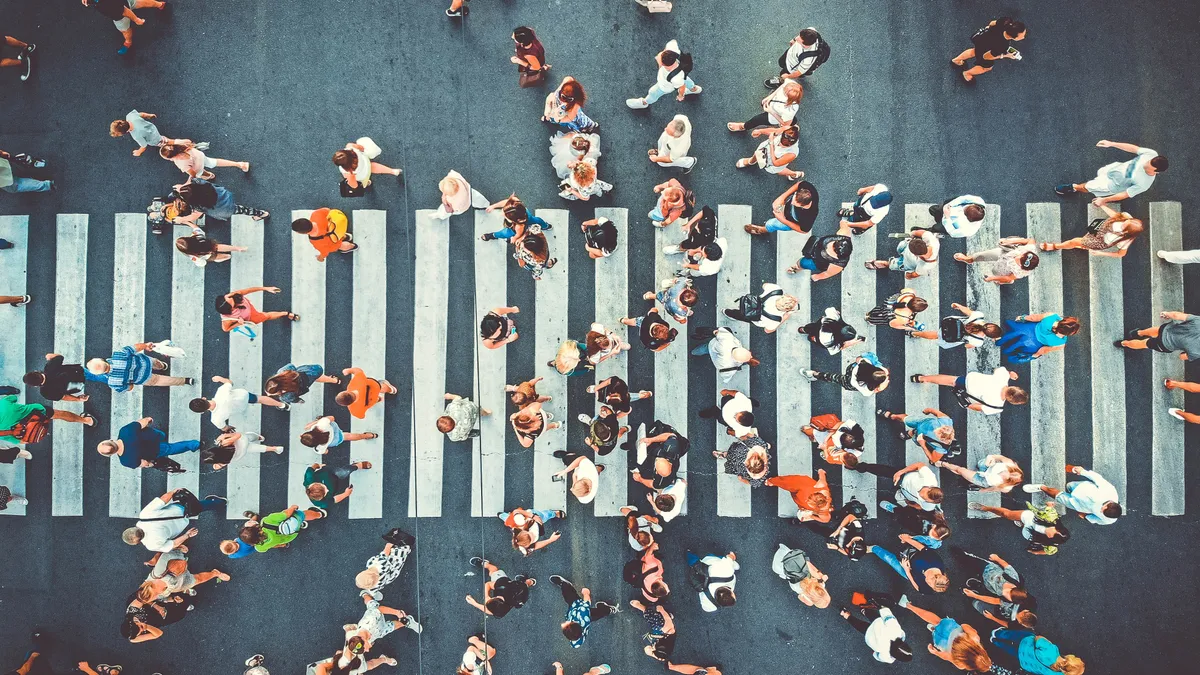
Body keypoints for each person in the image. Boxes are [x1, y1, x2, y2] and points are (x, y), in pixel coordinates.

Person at [1055, 140, 1167, 204]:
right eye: (1148, 161)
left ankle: (1075, 187)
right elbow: (1134, 148)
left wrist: (1104, 200)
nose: (1145, 164)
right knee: (1100, 172)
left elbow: (1125, 194)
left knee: (1087, 187)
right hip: (1113, 169)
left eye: (1149, 165)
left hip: (1111, 185)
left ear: (1156, 171)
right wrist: (1112, 144)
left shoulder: (1144, 184)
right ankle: (1080, 187)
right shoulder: (1151, 154)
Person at [897, 601, 992, 671]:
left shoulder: (975, 638)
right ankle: (934, 630)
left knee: (936, 620)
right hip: (942, 643)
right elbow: (946, 656)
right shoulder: (961, 664)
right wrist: (935, 652)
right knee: (936, 632)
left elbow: (964, 625)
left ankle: (907, 605)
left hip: (950, 628)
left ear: (983, 652)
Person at [122, 488, 226, 551]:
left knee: (198, 508)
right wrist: (173, 491)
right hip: (178, 509)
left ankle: (217, 503)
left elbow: (173, 544)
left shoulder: (151, 545)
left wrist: (187, 535)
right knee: (199, 506)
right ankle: (220, 502)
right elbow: (162, 500)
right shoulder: (144, 515)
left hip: (182, 522)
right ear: (133, 528)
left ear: (137, 542)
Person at [957, 549, 1038, 629]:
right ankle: (978, 585)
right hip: (995, 581)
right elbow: (995, 600)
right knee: (986, 587)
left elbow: (1008, 624)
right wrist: (975, 595)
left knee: (976, 604)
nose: (1017, 615)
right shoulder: (1028, 601)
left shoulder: (1018, 621)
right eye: (1021, 613)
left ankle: (978, 588)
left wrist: (992, 618)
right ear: (1026, 610)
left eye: (1019, 618)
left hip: (999, 609)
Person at [1024, 464, 1122, 524]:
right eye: (1103, 506)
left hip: (1077, 505)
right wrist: (1083, 471)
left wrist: (1085, 516)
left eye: (1102, 511)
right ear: (1110, 502)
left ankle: (1041, 487)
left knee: (1058, 496)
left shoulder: (1109, 519)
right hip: (1081, 488)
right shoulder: (1110, 491)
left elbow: (1096, 520)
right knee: (1069, 486)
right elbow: (1097, 479)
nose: (1100, 509)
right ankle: (1065, 488)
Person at [911, 367, 1027, 415]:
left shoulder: (1003, 377)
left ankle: (921, 378)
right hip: (969, 393)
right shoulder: (997, 407)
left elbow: (998, 369)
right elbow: (976, 407)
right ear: (1013, 401)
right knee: (953, 384)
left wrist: (1010, 374)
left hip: (970, 380)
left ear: (1016, 388)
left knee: (950, 380)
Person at [98, 417, 200, 471]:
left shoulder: (126, 461)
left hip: (156, 450)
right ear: (110, 440)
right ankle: (163, 435)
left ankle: (194, 445)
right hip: (153, 436)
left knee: (172, 448)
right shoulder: (125, 431)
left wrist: (150, 464)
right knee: (161, 435)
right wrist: (148, 419)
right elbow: (143, 422)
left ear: (111, 455)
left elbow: (145, 464)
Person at [1040, 204, 1143, 257]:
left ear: (1126, 232)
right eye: (1127, 221)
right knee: (1082, 241)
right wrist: (1102, 205)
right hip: (1098, 228)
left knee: (1074, 241)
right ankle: (1082, 246)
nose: (1124, 222)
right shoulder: (1127, 218)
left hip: (1098, 242)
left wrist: (1101, 254)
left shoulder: (1125, 240)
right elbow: (1116, 216)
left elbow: (1121, 254)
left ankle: (1055, 246)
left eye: (1125, 225)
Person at [969, 503, 1071, 555]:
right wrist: (1049, 505)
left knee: (1023, 527)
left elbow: (1047, 552)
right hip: (1030, 519)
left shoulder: (1052, 546)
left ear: (1051, 539)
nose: (1050, 530)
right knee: (1006, 514)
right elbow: (1050, 508)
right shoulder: (1052, 518)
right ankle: (985, 508)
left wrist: (1035, 552)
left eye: (1051, 534)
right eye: (1054, 529)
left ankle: (1022, 524)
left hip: (1028, 532)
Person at [192, 374, 287, 430]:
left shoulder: (215, 419)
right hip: (243, 396)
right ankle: (282, 405)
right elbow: (229, 382)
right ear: (203, 398)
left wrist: (229, 428)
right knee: (260, 399)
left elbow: (224, 428)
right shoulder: (221, 392)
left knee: (258, 400)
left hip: (240, 408)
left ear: (202, 412)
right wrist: (220, 379)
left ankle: (282, 405)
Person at [840, 592, 913, 664]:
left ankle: (864, 610)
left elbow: (888, 617)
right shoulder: (888, 658)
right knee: (859, 625)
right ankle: (845, 614)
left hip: (878, 623)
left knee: (872, 615)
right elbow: (876, 656)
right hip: (870, 636)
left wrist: (883, 608)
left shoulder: (897, 632)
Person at [626, 39, 702, 108]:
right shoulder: (673, 52)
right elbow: (673, 42)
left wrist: (680, 96)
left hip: (666, 85)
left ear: (666, 66)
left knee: (653, 92)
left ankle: (644, 102)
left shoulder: (676, 78)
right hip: (681, 75)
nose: (657, 58)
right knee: (686, 80)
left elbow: (681, 87)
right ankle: (694, 89)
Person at [550, 574, 619, 647]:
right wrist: (586, 593)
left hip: (574, 609)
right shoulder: (583, 612)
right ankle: (609, 609)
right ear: (573, 622)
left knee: (568, 596)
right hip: (580, 608)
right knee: (598, 613)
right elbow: (587, 602)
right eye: (566, 624)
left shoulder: (576, 643)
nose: (562, 624)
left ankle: (563, 584)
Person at [87, 342, 190, 390]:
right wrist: (146, 346)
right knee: (155, 363)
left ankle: (186, 381)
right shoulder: (118, 354)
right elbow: (135, 348)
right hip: (145, 362)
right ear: (102, 360)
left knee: (159, 380)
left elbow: (130, 387)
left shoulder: (113, 382)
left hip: (144, 378)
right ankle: (163, 366)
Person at [951, 17, 1027, 83]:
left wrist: (989, 29)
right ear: (1014, 38)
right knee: (987, 67)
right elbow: (987, 57)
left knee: (974, 51)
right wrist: (1005, 55)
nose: (1023, 37)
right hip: (986, 49)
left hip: (982, 38)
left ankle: (956, 60)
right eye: (1022, 36)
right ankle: (966, 73)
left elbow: (992, 23)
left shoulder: (1006, 21)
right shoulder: (1003, 45)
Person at [168, 177, 269, 224]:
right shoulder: (199, 183)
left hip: (223, 208)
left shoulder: (197, 205)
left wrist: (182, 220)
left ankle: (262, 214)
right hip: (223, 195)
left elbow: (195, 215)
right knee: (240, 208)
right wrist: (182, 188)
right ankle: (260, 213)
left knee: (240, 210)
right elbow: (192, 183)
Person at [83, 0, 166, 55]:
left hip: (120, 14)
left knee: (125, 30)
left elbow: (124, 11)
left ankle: (128, 41)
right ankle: (160, 4)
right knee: (140, 2)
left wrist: (136, 20)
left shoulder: (105, 4)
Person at [910, 302, 1001, 350]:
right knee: (935, 335)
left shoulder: (979, 316)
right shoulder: (979, 342)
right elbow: (967, 346)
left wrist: (958, 306)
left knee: (936, 333)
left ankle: (915, 333)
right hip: (951, 335)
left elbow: (967, 311)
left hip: (951, 323)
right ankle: (914, 334)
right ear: (988, 336)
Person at [989, 630, 1085, 675]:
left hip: (1026, 643)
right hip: (1023, 661)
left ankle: (997, 633)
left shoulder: (1052, 651)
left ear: (1069, 659)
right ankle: (995, 641)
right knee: (1008, 649)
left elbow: (1038, 639)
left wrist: (1047, 641)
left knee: (1012, 635)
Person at [868, 540, 950, 593]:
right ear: (936, 576)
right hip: (912, 554)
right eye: (929, 581)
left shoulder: (930, 589)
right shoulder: (936, 561)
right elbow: (922, 548)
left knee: (889, 559)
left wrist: (907, 571)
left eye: (929, 585)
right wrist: (907, 538)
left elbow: (918, 587)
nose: (926, 582)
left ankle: (874, 548)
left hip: (909, 572)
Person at [878, 409, 958, 464]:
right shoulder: (945, 421)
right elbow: (937, 412)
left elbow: (933, 459)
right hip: (921, 421)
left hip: (922, 438)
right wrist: (929, 410)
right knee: (906, 419)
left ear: (942, 439)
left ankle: (910, 433)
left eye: (937, 433)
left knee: (914, 434)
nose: (935, 429)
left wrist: (923, 445)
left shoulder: (942, 448)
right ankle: (893, 416)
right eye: (939, 429)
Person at [356, 528, 415, 600]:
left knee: (398, 565)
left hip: (390, 576)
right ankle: (406, 547)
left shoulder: (374, 586)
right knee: (398, 553)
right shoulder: (375, 564)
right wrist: (388, 545)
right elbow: (385, 554)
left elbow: (372, 589)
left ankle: (375, 595)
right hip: (392, 562)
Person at [465, 557, 536, 617]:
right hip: (515, 587)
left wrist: (475, 603)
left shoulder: (502, 610)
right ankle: (529, 582)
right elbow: (488, 584)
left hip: (520, 595)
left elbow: (491, 612)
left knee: (525, 585)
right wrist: (486, 597)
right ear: (497, 597)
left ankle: (530, 582)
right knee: (493, 570)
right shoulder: (502, 586)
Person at [344, 594, 422, 648]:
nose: (367, 650)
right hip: (378, 631)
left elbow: (379, 609)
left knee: (371, 604)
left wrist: (397, 613)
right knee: (390, 627)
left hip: (375, 618)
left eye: (365, 648)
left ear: (363, 639)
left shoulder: (370, 621)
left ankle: (365, 593)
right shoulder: (357, 641)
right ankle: (407, 621)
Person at [239, 504, 326, 553]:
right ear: (255, 527)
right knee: (302, 515)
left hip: (289, 536)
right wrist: (292, 508)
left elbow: (273, 546)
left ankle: (300, 526)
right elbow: (286, 514)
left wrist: (282, 545)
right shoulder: (267, 521)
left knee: (294, 527)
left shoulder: (259, 548)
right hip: (289, 521)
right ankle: (320, 514)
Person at [998, 313, 1080, 364]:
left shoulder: (1053, 316)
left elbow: (1033, 318)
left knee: (1015, 332)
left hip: (1027, 329)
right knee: (1020, 348)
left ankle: (1000, 340)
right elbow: (1044, 350)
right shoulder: (1061, 343)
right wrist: (1035, 355)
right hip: (1032, 344)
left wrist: (1022, 318)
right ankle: (1007, 350)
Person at [1117, 309, 1200, 360]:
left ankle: (1139, 333)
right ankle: (1124, 343)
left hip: (1167, 329)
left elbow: (1177, 315)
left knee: (1157, 330)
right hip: (1165, 345)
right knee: (1144, 344)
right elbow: (1182, 357)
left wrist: (1167, 314)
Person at [954, 236, 1040, 284]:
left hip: (1005, 267)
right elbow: (1030, 240)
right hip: (1005, 253)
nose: (1018, 256)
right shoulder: (1030, 249)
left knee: (998, 274)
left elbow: (1008, 277)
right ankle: (969, 259)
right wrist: (1010, 242)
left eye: (1019, 260)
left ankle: (1004, 282)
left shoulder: (1020, 272)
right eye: (1022, 255)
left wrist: (992, 278)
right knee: (983, 255)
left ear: (1021, 266)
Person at [745, 180, 819, 235]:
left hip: (791, 221)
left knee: (772, 224)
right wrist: (782, 198)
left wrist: (782, 220)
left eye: (795, 203)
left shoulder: (809, 216)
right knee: (779, 210)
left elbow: (804, 230)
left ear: (803, 206)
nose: (792, 203)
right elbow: (800, 184)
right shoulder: (808, 189)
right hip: (787, 212)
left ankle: (762, 230)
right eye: (793, 198)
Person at [864, 461, 944, 512]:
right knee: (883, 471)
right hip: (904, 477)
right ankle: (863, 467)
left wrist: (911, 504)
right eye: (924, 493)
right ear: (930, 487)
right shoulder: (929, 478)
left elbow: (920, 507)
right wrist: (900, 472)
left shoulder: (929, 506)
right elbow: (919, 465)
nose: (920, 495)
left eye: (924, 498)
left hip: (904, 493)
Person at [786, 221, 854, 280]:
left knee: (802, 263)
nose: (828, 247)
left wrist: (817, 277)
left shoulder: (839, 264)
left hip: (816, 262)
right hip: (815, 247)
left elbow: (827, 274)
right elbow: (844, 224)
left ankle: (797, 268)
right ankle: (797, 267)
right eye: (834, 243)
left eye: (834, 249)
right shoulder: (843, 235)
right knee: (803, 261)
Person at [802, 351, 890, 397]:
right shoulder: (868, 389)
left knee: (833, 377)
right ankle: (815, 375)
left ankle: (814, 374)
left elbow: (858, 359)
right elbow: (871, 392)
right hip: (849, 382)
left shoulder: (865, 363)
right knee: (833, 378)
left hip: (852, 369)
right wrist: (880, 388)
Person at [727, 81, 803, 132]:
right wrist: (769, 97)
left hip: (773, 115)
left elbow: (785, 124)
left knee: (756, 119)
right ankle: (793, 124)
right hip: (772, 105)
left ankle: (743, 126)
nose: (783, 90)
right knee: (790, 120)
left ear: (790, 98)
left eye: (785, 92)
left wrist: (771, 111)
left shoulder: (789, 110)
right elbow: (782, 86)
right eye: (785, 89)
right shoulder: (791, 84)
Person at [691, 327, 759, 384]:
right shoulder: (728, 364)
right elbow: (725, 374)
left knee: (702, 349)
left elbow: (718, 332)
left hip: (711, 346)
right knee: (703, 350)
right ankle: (694, 352)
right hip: (716, 356)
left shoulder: (728, 339)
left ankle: (694, 352)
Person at [771, 544, 830, 608]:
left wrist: (821, 576)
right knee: (784, 571)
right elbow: (799, 597)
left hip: (794, 557)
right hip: (786, 568)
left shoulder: (820, 582)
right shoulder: (800, 590)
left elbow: (809, 565)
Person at [724, 282, 797, 333]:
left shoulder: (776, 290)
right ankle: (728, 313)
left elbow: (764, 285)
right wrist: (785, 317)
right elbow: (767, 330)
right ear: (786, 310)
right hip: (754, 317)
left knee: (739, 310)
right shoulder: (775, 319)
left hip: (752, 302)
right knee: (742, 316)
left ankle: (727, 312)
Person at [216, 287, 297, 333]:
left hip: (247, 306)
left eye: (231, 298)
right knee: (266, 316)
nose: (232, 297)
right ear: (230, 309)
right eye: (233, 304)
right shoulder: (227, 320)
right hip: (250, 317)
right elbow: (226, 329)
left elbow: (248, 290)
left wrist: (266, 288)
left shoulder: (229, 297)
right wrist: (238, 323)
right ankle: (285, 314)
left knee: (265, 315)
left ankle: (285, 314)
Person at [735, 124, 802, 179]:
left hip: (773, 160)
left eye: (785, 146)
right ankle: (751, 161)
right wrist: (760, 131)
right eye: (781, 142)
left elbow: (776, 163)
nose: (781, 145)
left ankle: (793, 174)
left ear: (792, 144)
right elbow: (774, 132)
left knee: (779, 171)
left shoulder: (792, 153)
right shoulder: (786, 129)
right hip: (766, 148)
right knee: (757, 153)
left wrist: (771, 143)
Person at [333, 137, 401, 191]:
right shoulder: (351, 147)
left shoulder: (347, 172)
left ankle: (367, 183)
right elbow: (361, 148)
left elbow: (354, 185)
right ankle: (392, 171)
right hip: (366, 162)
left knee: (362, 182)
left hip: (364, 175)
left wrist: (349, 183)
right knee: (373, 166)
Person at [866, 230, 939, 279]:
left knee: (893, 264)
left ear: (915, 255)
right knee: (900, 247)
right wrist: (908, 275)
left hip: (907, 262)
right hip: (906, 254)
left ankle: (885, 264)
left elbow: (914, 274)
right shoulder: (933, 241)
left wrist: (909, 275)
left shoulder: (926, 266)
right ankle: (892, 261)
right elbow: (919, 232)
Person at [767, 469, 833, 523]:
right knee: (787, 482)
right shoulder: (823, 509)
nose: (806, 500)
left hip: (800, 491)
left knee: (787, 483)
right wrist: (810, 516)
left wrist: (821, 471)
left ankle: (772, 481)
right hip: (803, 484)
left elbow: (826, 520)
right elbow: (825, 520)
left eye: (808, 501)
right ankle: (772, 481)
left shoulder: (823, 488)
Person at [292, 208, 357, 260]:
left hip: (333, 242)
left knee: (341, 245)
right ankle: (347, 237)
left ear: (303, 232)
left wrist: (321, 258)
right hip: (335, 228)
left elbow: (324, 252)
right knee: (338, 234)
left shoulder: (315, 241)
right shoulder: (316, 215)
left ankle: (352, 246)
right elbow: (327, 210)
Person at [160, 141, 249, 179]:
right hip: (199, 156)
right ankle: (239, 164)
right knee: (214, 162)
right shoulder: (180, 145)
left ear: (171, 157)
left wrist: (192, 179)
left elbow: (192, 173)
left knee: (200, 173)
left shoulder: (180, 163)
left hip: (198, 167)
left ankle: (209, 175)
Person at [305, 461, 373, 510]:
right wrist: (345, 494)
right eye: (325, 493)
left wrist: (319, 466)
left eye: (325, 488)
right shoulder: (320, 503)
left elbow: (313, 467)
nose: (327, 490)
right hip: (335, 487)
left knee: (343, 473)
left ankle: (357, 465)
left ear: (317, 483)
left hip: (330, 472)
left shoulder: (309, 477)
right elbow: (334, 499)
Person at [200, 431, 282, 471]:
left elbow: (216, 467)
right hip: (242, 442)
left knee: (255, 448)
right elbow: (238, 435)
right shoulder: (224, 444)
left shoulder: (222, 461)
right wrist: (225, 436)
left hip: (241, 453)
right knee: (248, 436)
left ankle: (275, 449)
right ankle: (259, 438)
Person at [263, 363, 337, 404]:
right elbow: (291, 366)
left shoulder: (285, 396)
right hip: (307, 371)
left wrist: (299, 401)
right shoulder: (282, 371)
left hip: (306, 383)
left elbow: (294, 399)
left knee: (315, 378)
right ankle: (334, 380)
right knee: (316, 376)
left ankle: (333, 380)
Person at [300, 415, 378, 454]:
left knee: (348, 437)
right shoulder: (321, 425)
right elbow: (332, 418)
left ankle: (367, 436)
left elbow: (326, 451)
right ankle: (368, 435)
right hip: (333, 428)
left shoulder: (319, 448)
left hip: (335, 440)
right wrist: (316, 422)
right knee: (349, 435)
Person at [174, 233, 246, 266]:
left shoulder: (193, 256)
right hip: (209, 246)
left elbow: (202, 263)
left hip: (208, 256)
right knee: (219, 247)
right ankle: (238, 248)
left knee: (223, 257)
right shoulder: (196, 237)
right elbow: (200, 232)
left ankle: (227, 256)